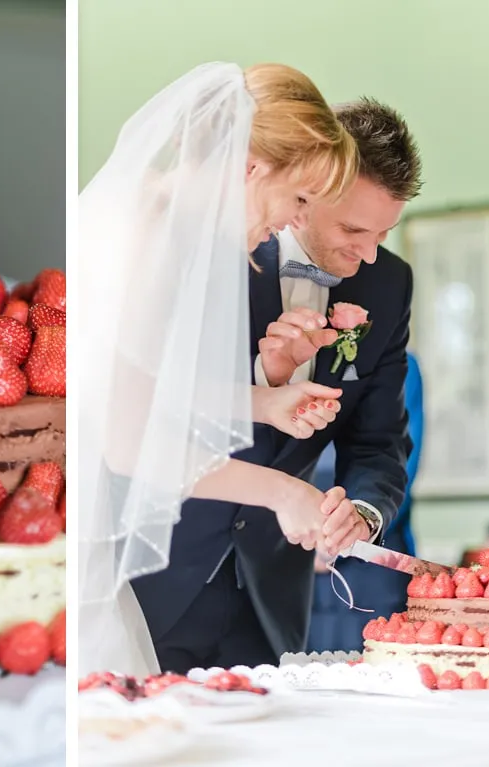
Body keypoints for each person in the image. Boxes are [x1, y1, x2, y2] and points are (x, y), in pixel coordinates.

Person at [79, 62, 368, 678]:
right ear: (248, 167)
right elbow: (129, 440)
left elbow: (134, 388)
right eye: (297, 198)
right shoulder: (146, 230)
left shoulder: (161, 217)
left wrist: (261, 405)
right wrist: (283, 493)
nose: (294, 221)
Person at [128, 95, 424, 674]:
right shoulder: (203, 244)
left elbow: (380, 440)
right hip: (157, 571)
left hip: (271, 600)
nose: (367, 256)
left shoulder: (390, 285)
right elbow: (144, 410)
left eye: (383, 234)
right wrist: (266, 384)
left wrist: (360, 511)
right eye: (352, 228)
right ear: (309, 191)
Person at [307, 352, 424, 652]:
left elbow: (399, 466)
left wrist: (345, 532)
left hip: (372, 561)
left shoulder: (399, 366)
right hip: (295, 555)